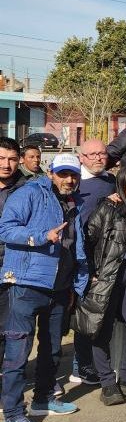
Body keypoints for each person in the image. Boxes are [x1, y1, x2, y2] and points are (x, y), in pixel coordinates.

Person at [0, 153, 88, 422]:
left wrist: (78, 282)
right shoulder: (29, 194)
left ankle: (43, 399)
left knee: (51, 349)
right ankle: (13, 413)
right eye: (63, 174)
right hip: (27, 284)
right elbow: (4, 229)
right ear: (51, 173)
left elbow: (77, 245)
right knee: (18, 352)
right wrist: (41, 237)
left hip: (60, 287)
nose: (69, 179)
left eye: (73, 175)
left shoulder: (74, 201)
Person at [76, 167, 126, 405]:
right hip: (108, 275)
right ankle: (108, 384)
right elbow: (88, 239)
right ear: (121, 186)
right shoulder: (109, 207)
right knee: (101, 330)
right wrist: (91, 273)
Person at [70, 139, 115, 386]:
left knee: (101, 316)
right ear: (81, 157)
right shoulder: (74, 182)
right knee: (85, 317)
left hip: (107, 258)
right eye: (92, 154)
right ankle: (81, 366)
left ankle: (97, 364)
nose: (98, 157)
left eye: (102, 153)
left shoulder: (110, 181)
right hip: (83, 261)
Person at [0, 138, 27, 377]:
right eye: (1, 159)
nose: (6, 164)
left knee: (9, 328)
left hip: (14, 269)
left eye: (11, 159)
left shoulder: (28, 188)